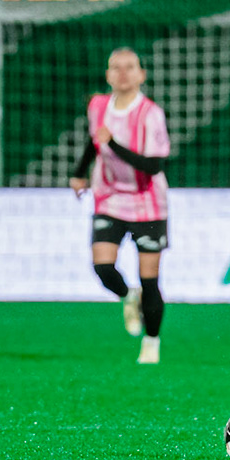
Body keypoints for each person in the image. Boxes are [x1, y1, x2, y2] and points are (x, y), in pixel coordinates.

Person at [70, 47, 171, 364]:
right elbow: (94, 140)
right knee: (102, 266)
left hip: (147, 203)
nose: (123, 73)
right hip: (109, 197)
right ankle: (128, 297)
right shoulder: (98, 106)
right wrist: (78, 173)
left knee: (150, 277)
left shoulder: (150, 113)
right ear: (108, 75)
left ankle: (151, 343)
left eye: (130, 67)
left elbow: (153, 166)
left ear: (141, 75)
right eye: (116, 67)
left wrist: (112, 143)